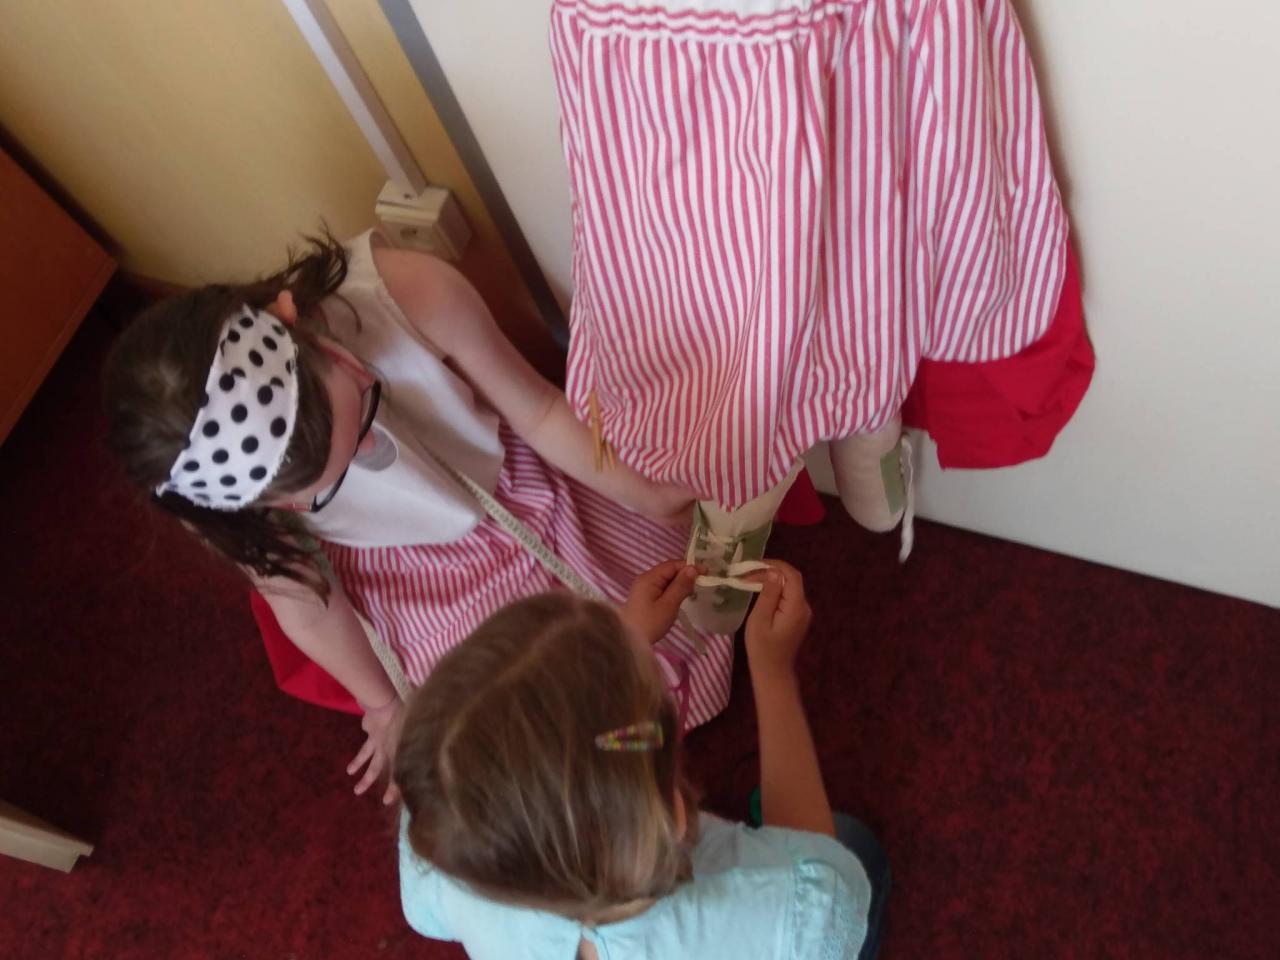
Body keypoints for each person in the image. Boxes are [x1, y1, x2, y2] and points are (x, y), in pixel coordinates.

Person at [102, 229, 734, 804]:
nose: (366, 457)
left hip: (510, 488)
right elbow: (300, 595)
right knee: (510, 724)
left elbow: (539, 410)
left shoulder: (408, 295)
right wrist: (381, 705)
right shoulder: (207, 497)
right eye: (321, 491)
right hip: (403, 570)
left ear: (292, 320)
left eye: (362, 414)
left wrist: (643, 493)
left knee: (662, 615)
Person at [394, 559, 892, 959]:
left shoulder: (449, 833)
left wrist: (622, 644)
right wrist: (774, 672)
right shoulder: (795, 907)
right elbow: (827, 883)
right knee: (858, 846)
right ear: (673, 813)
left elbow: (424, 911)